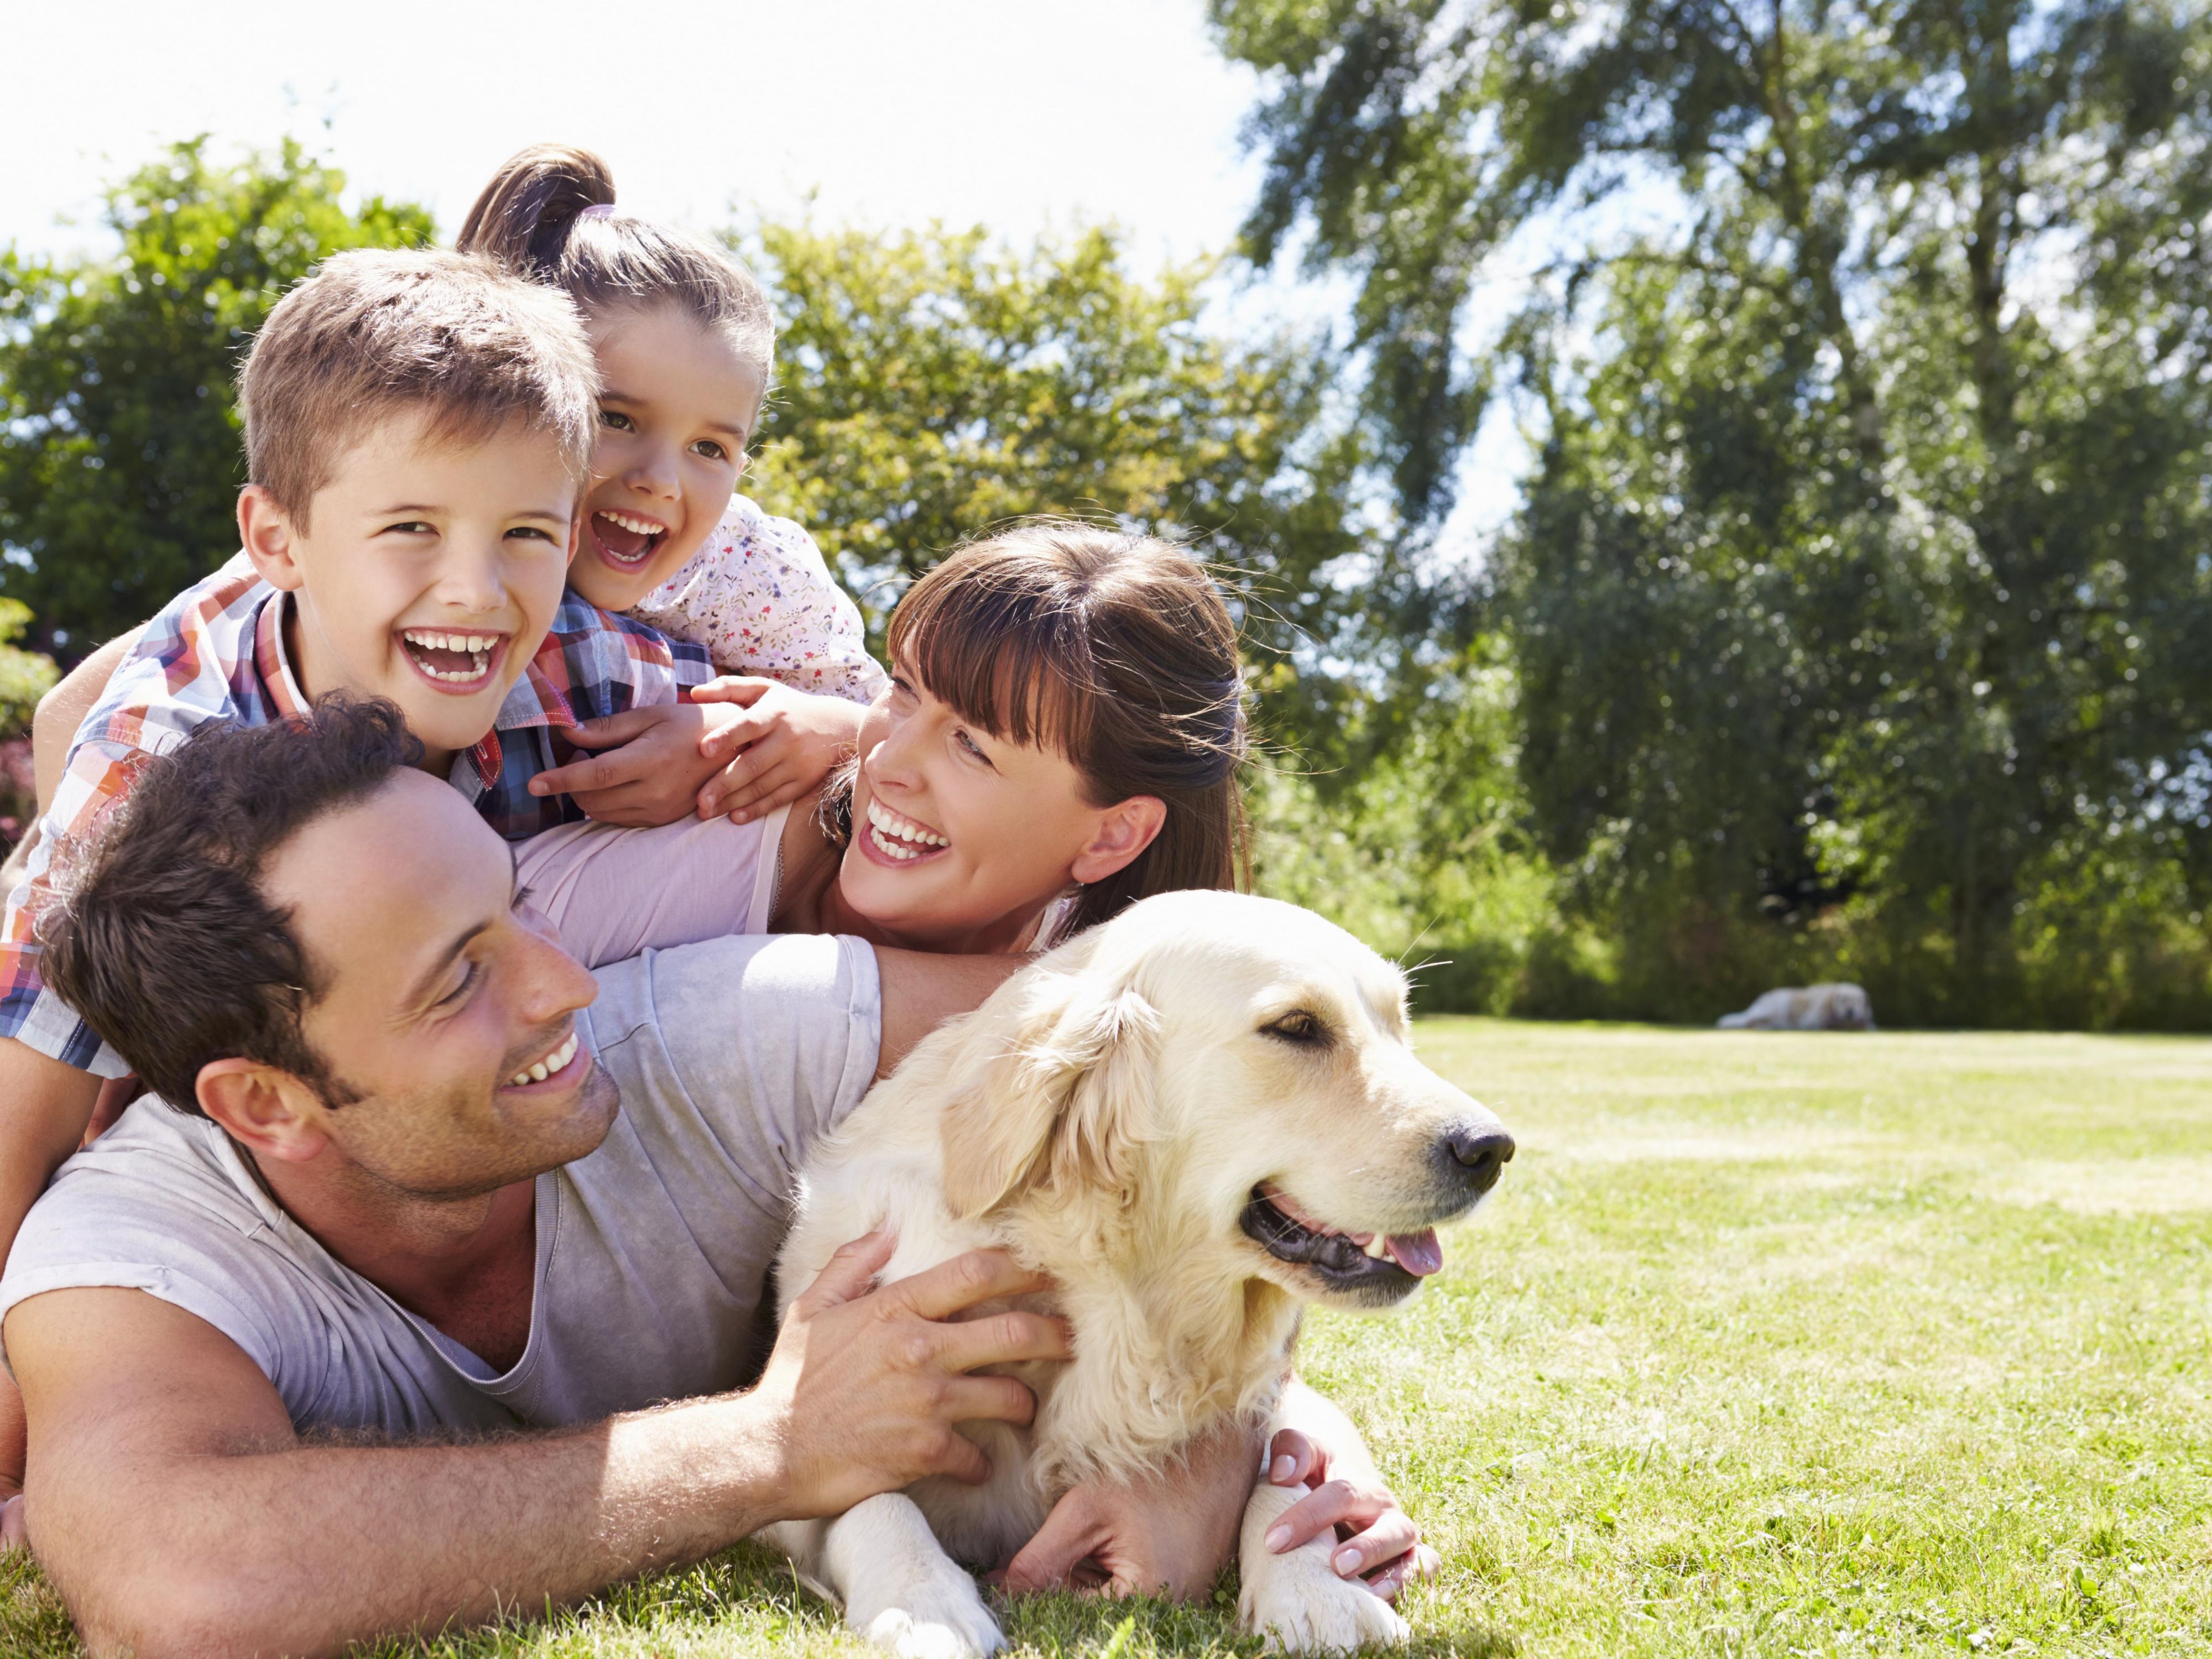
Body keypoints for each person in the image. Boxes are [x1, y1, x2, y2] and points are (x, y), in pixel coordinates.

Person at [0, 697, 1285, 1655]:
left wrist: (1211, 1453)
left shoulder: (723, 1031)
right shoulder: (134, 1246)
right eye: (461, 975)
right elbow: (180, 1581)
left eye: (518, 909)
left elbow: (1190, 1077)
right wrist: (770, 1443)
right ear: (265, 1103)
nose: (566, 984)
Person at [457, 143, 889, 830]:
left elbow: (878, 727)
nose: (659, 481)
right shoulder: (423, 509)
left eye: (709, 448)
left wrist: (772, 734)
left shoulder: (749, 570)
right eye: (617, 418)